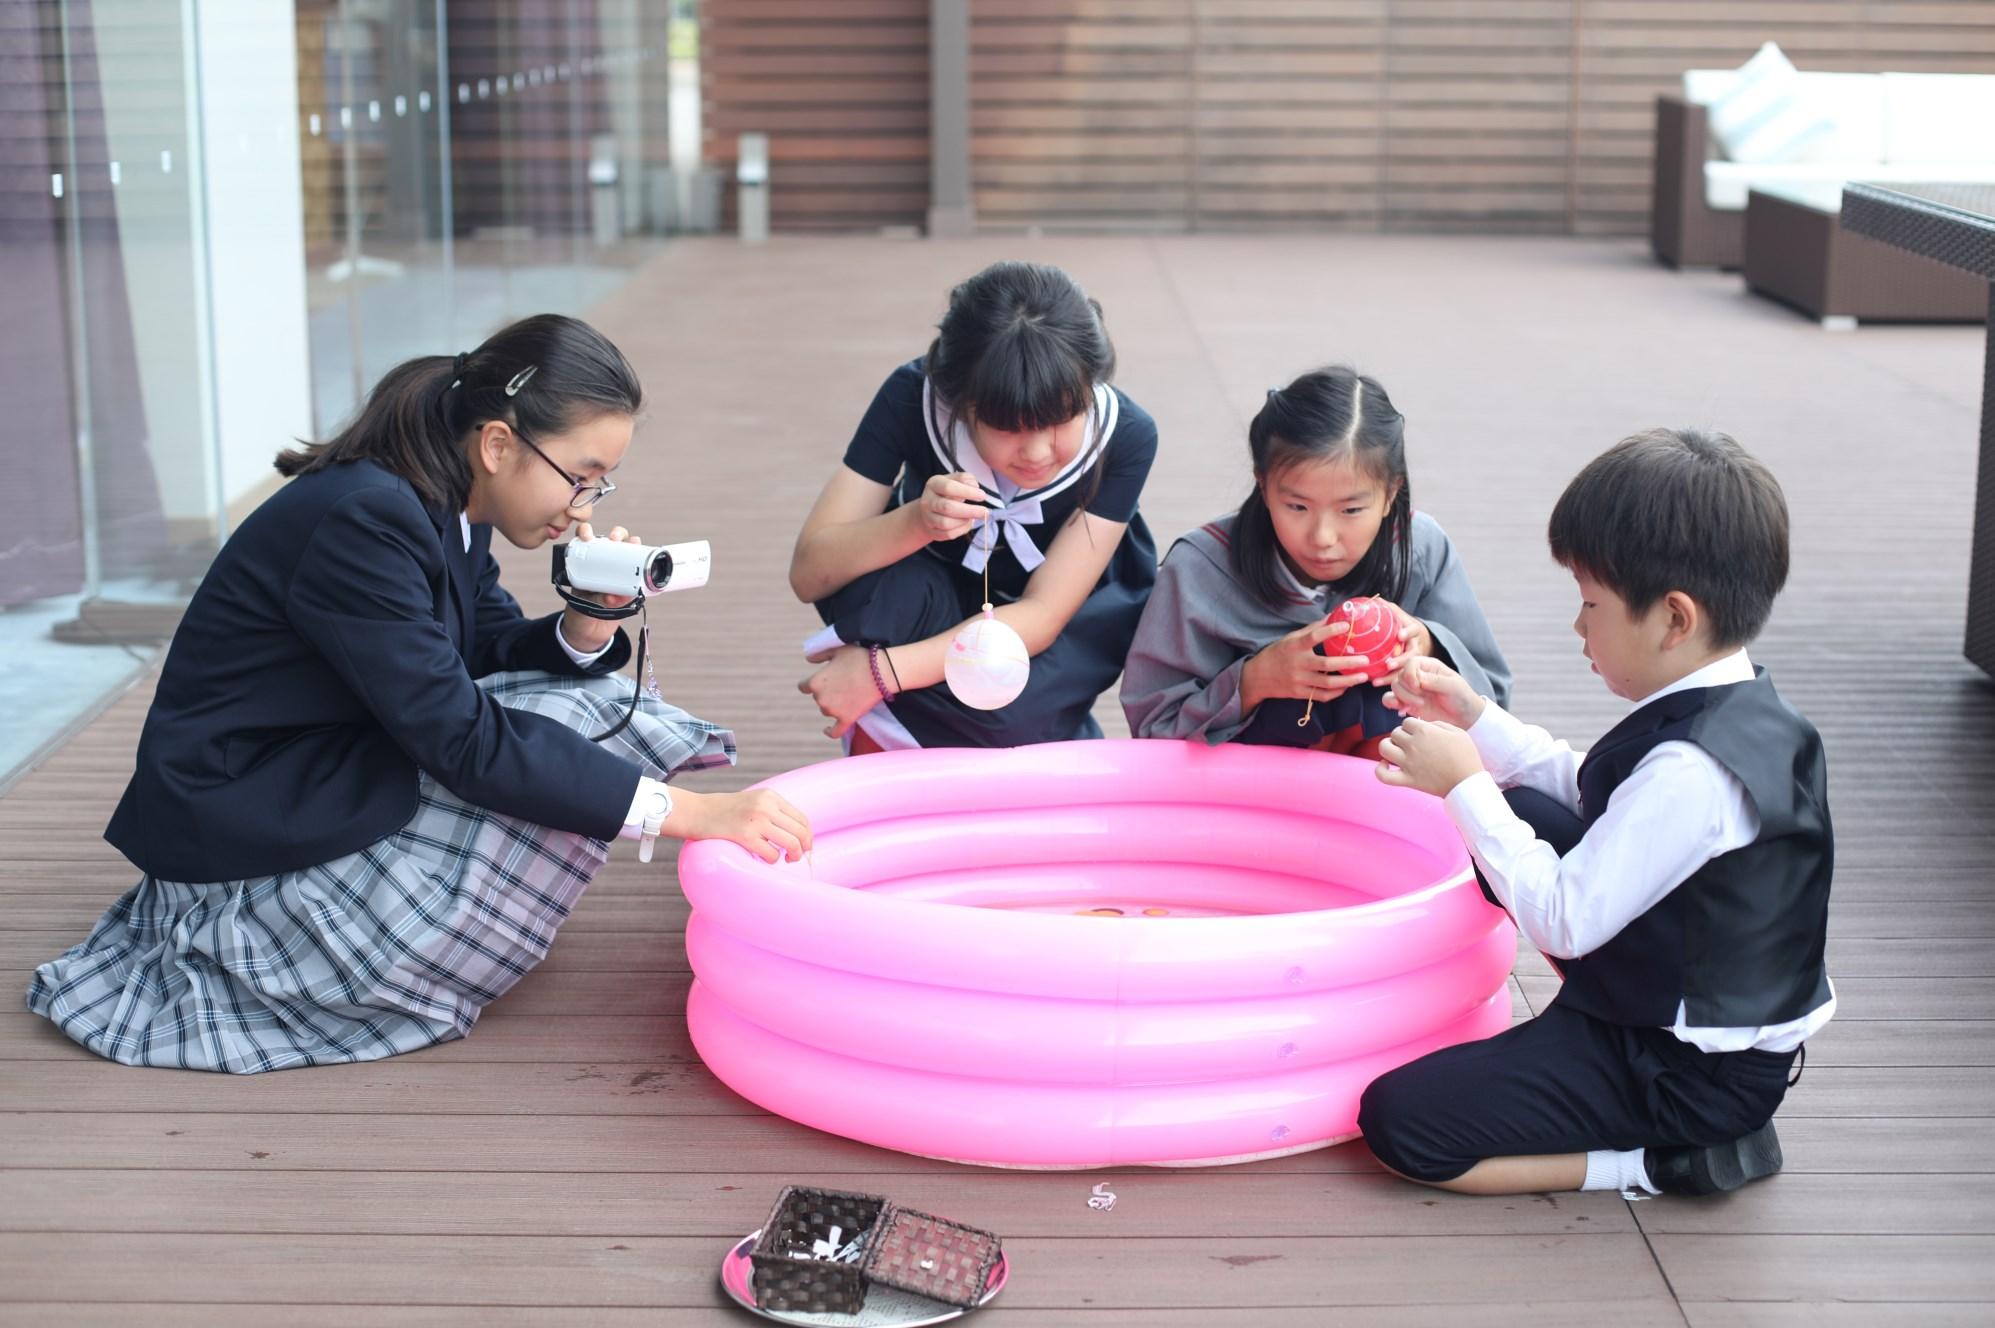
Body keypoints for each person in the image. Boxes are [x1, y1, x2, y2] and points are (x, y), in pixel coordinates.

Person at [28, 314, 809, 1073]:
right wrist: (687, 813)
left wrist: (587, 621)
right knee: (558, 725)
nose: (582, 507)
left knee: (574, 704)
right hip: (245, 825)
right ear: (497, 444)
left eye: (599, 485)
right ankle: (336, 949)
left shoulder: (442, 500)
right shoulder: (364, 520)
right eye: (580, 477)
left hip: (318, 768)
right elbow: (463, 739)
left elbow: (484, 647)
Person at [1360, 428, 1832, 1197]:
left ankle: (1663, 1162)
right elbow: (1588, 787)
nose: (1578, 626)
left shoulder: (1692, 773)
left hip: (1686, 1072)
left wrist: (1461, 787)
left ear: (1673, 620)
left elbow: (1562, 921)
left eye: (1590, 603)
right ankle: (1604, 1064)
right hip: (1686, 1000)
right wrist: (1474, 716)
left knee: (1401, 1123)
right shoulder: (1735, 703)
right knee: (1527, 808)